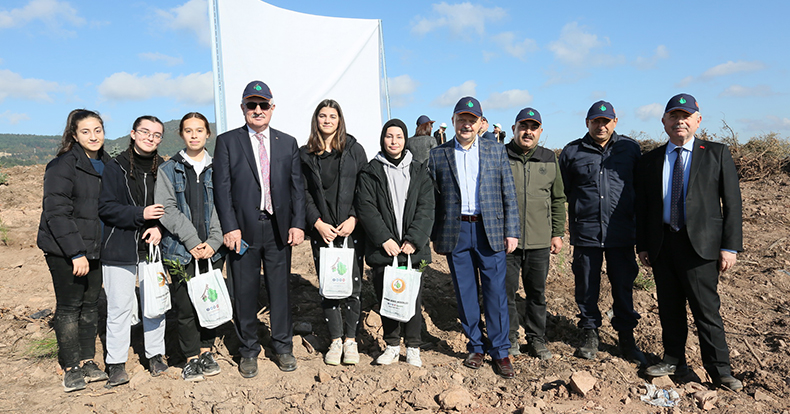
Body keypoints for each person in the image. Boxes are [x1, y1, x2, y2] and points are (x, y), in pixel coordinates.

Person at [636, 94, 743, 391]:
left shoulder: (716, 153)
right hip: (663, 244)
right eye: (673, 116)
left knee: (706, 310)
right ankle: (673, 360)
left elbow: (732, 203)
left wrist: (729, 246)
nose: (679, 121)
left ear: (698, 120)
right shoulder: (651, 159)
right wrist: (643, 244)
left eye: (686, 116)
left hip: (701, 247)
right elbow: (644, 206)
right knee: (669, 307)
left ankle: (720, 370)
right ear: (664, 122)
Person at [213, 80, 306, 377]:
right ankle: (249, 350)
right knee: (244, 291)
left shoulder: (287, 142)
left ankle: (282, 346)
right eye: (251, 105)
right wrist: (230, 227)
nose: (257, 110)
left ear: (272, 108)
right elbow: (222, 189)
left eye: (263, 105)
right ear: (242, 108)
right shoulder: (228, 142)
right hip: (243, 231)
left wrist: (297, 223)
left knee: (280, 291)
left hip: (278, 229)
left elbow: (296, 189)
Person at [427, 96, 519, 379]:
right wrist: (433, 234)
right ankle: (475, 346)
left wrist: (512, 230)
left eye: (472, 120)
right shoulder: (438, 154)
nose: (466, 124)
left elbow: (508, 193)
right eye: (461, 119)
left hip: (488, 230)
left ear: (481, 123)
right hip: (456, 232)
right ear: (453, 121)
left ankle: (501, 351)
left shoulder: (495, 150)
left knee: (495, 293)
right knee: (465, 292)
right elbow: (433, 199)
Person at [558, 101, 647, 366]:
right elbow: (563, 191)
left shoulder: (630, 149)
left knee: (623, 284)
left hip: (621, 232)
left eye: (606, 121)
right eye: (596, 121)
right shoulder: (572, 152)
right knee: (586, 284)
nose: (601, 125)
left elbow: (640, 189)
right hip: (586, 232)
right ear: (587, 122)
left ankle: (627, 338)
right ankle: (589, 333)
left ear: (615, 122)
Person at [37, 109, 110, 392]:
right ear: (74, 135)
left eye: (98, 130)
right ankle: (71, 367)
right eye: (86, 131)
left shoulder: (106, 164)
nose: (93, 136)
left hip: (96, 248)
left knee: (91, 306)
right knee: (69, 307)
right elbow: (56, 212)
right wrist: (75, 253)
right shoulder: (63, 165)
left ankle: (88, 359)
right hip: (65, 250)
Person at [356, 119, 435, 367]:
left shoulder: (420, 171)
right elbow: (366, 209)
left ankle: (413, 346)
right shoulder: (371, 171)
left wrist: (414, 239)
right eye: (389, 136)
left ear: (405, 140)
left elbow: (427, 207)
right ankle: (391, 344)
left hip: (413, 250)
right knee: (387, 298)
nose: (394, 141)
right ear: (383, 139)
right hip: (386, 250)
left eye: (399, 136)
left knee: (413, 297)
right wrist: (384, 239)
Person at [155, 112, 225, 381]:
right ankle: (191, 357)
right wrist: (193, 241)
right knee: (184, 307)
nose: (194, 135)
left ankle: (207, 350)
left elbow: (223, 207)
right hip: (180, 251)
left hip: (212, 250)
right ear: (181, 134)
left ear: (208, 134)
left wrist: (214, 241)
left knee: (209, 302)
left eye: (199, 130)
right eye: (188, 130)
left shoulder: (218, 168)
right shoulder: (169, 169)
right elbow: (167, 209)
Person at [99, 115, 168, 387]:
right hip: (119, 245)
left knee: (155, 303)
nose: (150, 138)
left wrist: (160, 227)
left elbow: (170, 206)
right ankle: (116, 363)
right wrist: (141, 214)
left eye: (156, 134)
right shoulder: (114, 168)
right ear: (132, 133)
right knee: (119, 306)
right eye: (145, 132)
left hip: (152, 247)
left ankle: (156, 355)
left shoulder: (163, 168)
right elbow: (106, 207)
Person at [300, 99, 367, 366]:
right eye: (322, 116)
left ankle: (351, 340)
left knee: (352, 285)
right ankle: (335, 339)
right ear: (316, 120)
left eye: (332, 116)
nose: (327, 120)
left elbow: (365, 187)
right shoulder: (305, 154)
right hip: (322, 231)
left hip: (351, 230)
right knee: (329, 286)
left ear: (340, 120)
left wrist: (354, 217)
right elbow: (302, 192)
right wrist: (316, 222)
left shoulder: (354, 150)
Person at [504, 108, 566, 360]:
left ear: (540, 131)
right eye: (523, 126)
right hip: (506, 241)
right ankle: (509, 339)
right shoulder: (500, 155)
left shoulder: (549, 158)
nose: (528, 131)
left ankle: (536, 339)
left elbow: (558, 197)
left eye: (533, 127)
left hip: (540, 240)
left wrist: (557, 233)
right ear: (514, 129)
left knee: (536, 293)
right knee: (505, 293)